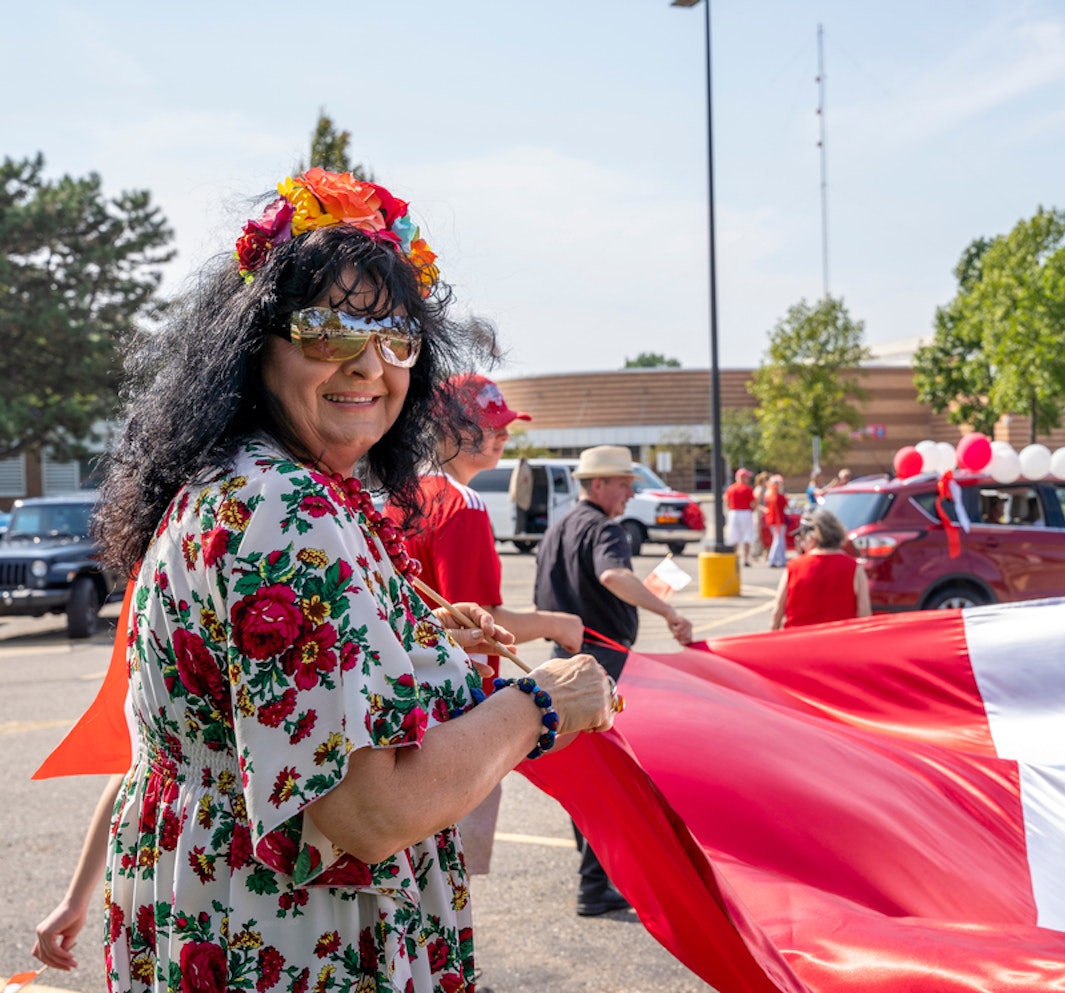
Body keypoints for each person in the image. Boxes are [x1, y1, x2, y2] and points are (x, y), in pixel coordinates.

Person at [32, 168, 615, 991]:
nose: (369, 366)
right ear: (254, 343)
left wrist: (413, 642)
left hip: (213, 911)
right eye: (328, 331)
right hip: (295, 939)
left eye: (395, 336)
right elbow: (368, 813)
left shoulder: (236, 481)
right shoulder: (286, 507)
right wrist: (543, 704)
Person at [385, 372, 585, 880]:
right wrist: (557, 623)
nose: (503, 436)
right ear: (448, 430)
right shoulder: (463, 505)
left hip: (402, 701)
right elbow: (479, 616)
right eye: (489, 425)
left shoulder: (399, 496)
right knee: (451, 874)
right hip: (457, 708)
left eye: (505, 426)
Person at [535, 444, 695, 914]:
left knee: (582, 769)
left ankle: (594, 878)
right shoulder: (605, 528)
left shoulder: (559, 526)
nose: (630, 493)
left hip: (559, 659)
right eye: (624, 484)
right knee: (610, 773)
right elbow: (611, 576)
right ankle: (594, 883)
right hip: (600, 664)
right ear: (599, 484)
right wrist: (667, 610)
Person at [771, 509, 870, 629]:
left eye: (801, 538)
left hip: (798, 640)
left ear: (812, 538)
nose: (801, 544)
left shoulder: (794, 567)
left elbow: (778, 611)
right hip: (841, 640)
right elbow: (864, 614)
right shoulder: (854, 568)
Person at [725, 467, 758, 566]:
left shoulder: (730, 488)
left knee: (734, 537)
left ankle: (735, 558)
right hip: (745, 513)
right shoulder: (747, 489)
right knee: (747, 537)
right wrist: (752, 510)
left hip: (733, 513)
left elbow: (726, 501)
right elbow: (754, 502)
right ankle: (745, 559)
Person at [764, 473, 789, 568]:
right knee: (778, 540)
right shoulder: (777, 496)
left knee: (780, 541)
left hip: (774, 520)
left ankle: (781, 559)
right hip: (778, 521)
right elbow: (786, 505)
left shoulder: (769, 495)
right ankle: (772, 559)